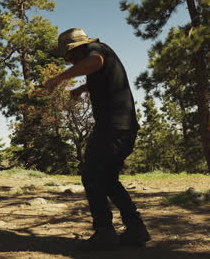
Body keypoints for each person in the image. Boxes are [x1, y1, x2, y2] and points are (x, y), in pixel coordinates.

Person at [43, 28, 150, 251]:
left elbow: (95, 61)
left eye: (69, 56)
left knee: (92, 176)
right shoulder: (101, 58)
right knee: (107, 178)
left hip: (113, 128)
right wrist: (82, 88)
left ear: (76, 48)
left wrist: (59, 78)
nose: (69, 61)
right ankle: (135, 228)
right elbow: (102, 74)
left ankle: (105, 232)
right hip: (120, 128)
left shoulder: (96, 50)